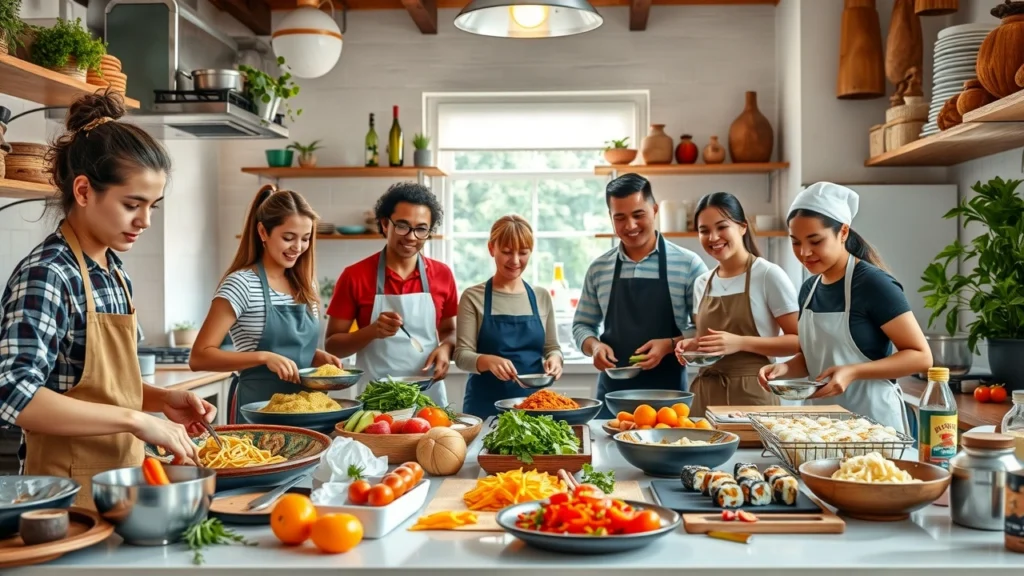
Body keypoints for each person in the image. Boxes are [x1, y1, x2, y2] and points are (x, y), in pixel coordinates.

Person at [0, 92, 214, 507]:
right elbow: (12, 392)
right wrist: (136, 420)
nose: (145, 221)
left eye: (152, 206)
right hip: (64, 500)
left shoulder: (113, 272)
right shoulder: (49, 274)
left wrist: (161, 399)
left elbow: (99, 388)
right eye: (132, 205)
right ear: (83, 190)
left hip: (121, 488)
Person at [758, 182, 932, 433]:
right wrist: (784, 369)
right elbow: (817, 357)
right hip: (822, 427)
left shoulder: (873, 284)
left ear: (843, 232)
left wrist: (853, 372)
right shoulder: (809, 289)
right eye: (795, 242)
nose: (804, 253)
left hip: (874, 426)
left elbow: (921, 356)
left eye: (815, 241)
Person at [189, 184, 343, 424]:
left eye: (305, 239)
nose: (298, 248)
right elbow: (199, 357)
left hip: (308, 413)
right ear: (263, 232)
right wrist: (263, 357)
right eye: (288, 237)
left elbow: (293, 350)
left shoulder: (306, 285)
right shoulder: (241, 284)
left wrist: (315, 357)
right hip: (256, 414)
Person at [573, 173, 709, 419]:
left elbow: (705, 330)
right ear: (610, 218)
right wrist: (594, 346)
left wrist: (669, 345)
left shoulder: (689, 265)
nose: (630, 226)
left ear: (654, 210)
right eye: (620, 218)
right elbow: (582, 325)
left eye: (638, 215)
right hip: (612, 399)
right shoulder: (599, 268)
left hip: (669, 401)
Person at [325, 183, 457, 407]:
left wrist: (445, 348)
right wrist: (371, 332)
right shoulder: (354, 276)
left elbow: (450, 331)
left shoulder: (442, 275)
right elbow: (332, 345)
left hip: (428, 397)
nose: (411, 237)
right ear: (385, 224)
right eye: (403, 226)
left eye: (421, 229)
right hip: (376, 400)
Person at [675, 192, 800, 418]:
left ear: (742, 227)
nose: (713, 237)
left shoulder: (767, 275)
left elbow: (798, 341)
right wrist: (694, 345)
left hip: (753, 397)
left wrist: (740, 342)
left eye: (722, 227)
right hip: (706, 397)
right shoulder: (702, 282)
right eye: (704, 231)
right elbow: (713, 344)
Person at [454, 216, 564, 418]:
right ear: (491, 249)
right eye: (506, 252)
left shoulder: (541, 296)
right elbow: (461, 356)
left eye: (523, 253)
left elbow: (552, 348)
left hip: (534, 406)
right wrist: (487, 361)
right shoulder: (473, 297)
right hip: (484, 407)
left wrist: (555, 359)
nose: (515, 261)